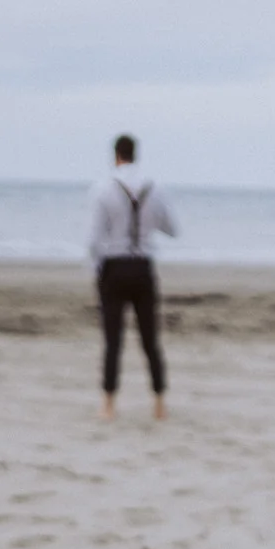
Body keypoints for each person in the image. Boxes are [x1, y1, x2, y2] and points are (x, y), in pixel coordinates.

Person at [86, 134, 178, 421]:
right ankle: (159, 402)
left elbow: (93, 239)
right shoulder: (156, 188)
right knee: (150, 338)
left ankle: (108, 403)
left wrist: (95, 268)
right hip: (143, 266)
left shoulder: (103, 188)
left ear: (116, 156)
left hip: (114, 267)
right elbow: (172, 229)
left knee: (113, 340)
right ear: (135, 154)